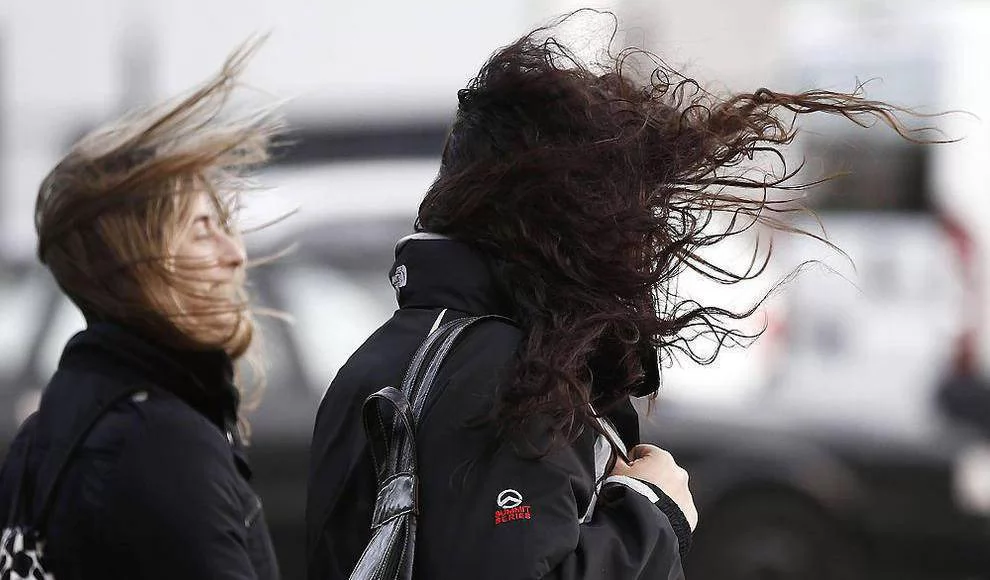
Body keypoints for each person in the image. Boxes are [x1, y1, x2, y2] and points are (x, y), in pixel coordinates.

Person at [306, 13, 930, 580]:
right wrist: (649, 511)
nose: (641, 239)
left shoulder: (380, 359)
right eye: (623, 211)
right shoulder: (500, 368)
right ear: (563, 219)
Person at [0, 41, 281, 579]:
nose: (236, 254)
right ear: (138, 266)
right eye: (203, 231)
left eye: (226, 227)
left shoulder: (51, 430)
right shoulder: (161, 445)